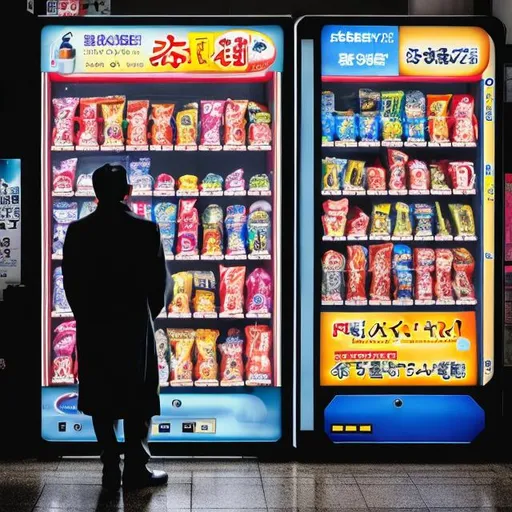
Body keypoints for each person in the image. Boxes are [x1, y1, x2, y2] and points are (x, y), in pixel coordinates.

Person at [62, 164, 168, 491]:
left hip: (95, 325)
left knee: (100, 394)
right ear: (128, 191)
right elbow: (159, 287)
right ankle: (136, 466)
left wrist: (87, 315)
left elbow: (71, 286)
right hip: (134, 326)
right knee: (138, 396)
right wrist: (144, 315)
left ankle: (110, 464)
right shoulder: (146, 230)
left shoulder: (78, 232)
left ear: (95, 194)